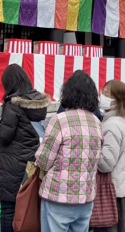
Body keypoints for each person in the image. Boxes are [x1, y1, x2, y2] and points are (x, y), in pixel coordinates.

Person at [35, 70, 102, 232]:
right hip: (85, 196)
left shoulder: (60, 120)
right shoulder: (96, 122)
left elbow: (44, 159)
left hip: (59, 196)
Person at [0, 64, 50, 232]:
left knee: (9, 209)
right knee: (27, 208)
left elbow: (4, 135)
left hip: (11, 162)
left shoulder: (13, 104)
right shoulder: (38, 102)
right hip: (30, 161)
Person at [93, 80, 125, 232]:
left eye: (106, 94)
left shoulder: (112, 125)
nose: (102, 96)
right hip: (119, 186)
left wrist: (92, 152)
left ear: (117, 100)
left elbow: (106, 163)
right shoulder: (120, 120)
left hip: (111, 191)